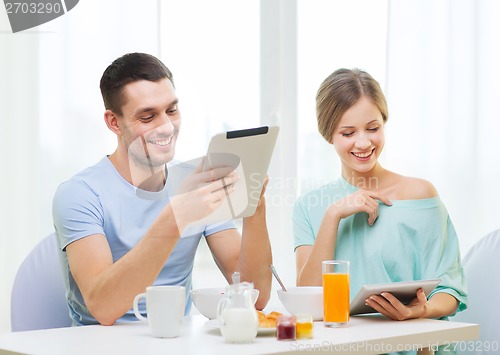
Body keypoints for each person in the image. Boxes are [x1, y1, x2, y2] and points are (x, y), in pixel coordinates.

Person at [52, 52, 272, 326]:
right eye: (147, 117)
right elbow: (104, 308)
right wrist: (177, 216)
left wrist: (253, 205)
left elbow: (256, 296)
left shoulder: (198, 180)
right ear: (113, 122)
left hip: (173, 342)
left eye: (171, 110)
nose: (166, 126)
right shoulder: (79, 194)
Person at [293, 68, 467, 322]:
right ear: (328, 134)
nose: (363, 143)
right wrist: (333, 215)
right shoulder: (309, 206)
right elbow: (307, 303)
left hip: (414, 343)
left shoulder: (420, 195)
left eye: (372, 128)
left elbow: (450, 289)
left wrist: (420, 310)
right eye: (348, 133)